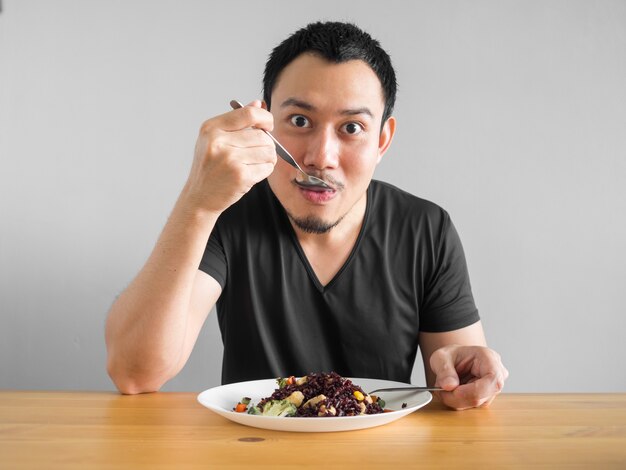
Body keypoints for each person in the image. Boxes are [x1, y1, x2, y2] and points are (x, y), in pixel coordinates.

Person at [105, 21, 508, 410]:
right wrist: (197, 201)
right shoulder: (226, 215)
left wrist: (465, 376)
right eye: (299, 121)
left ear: (382, 140)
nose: (320, 158)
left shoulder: (426, 229)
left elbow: (460, 386)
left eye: (351, 128)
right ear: (265, 125)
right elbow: (134, 373)